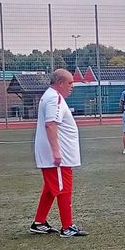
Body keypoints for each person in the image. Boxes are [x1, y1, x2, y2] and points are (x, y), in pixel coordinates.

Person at [29, 68, 88, 237]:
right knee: (63, 188)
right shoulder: (54, 98)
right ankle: (67, 227)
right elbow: (51, 124)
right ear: (60, 83)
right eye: (70, 83)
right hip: (58, 156)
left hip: (57, 154)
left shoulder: (51, 96)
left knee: (50, 188)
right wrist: (56, 152)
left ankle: (39, 222)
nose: (72, 86)